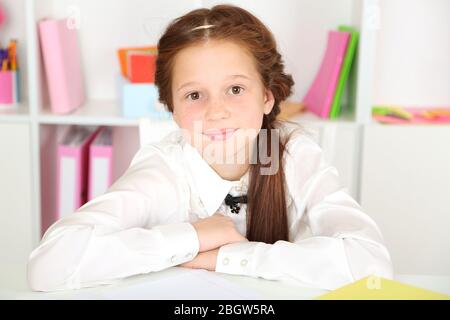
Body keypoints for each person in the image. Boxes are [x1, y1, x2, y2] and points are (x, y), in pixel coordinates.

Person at [27, 4, 393, 292]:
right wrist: (194, 236)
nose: (217, 111)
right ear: (172, 110)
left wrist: (227, 257)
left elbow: (371, 264)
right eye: (194, 95)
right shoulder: (165, 169)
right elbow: (48, 266)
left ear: (267, 96)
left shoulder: (293, 154)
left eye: (235, 89)